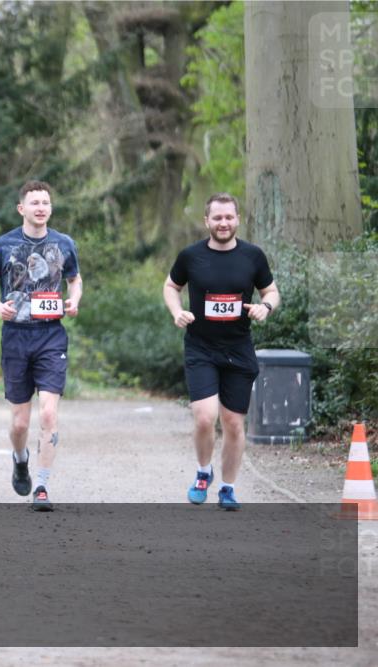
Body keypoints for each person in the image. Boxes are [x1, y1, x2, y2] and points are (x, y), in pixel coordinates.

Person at [163, 193, 280, 510]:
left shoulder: (253, 257)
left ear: (237, 219)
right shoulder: (191, 256)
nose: (223, 223)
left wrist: (265, 307)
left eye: (229, 217)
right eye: (217, 218)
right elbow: (171, 286)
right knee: (204, 418)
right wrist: (177, 312)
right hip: (201, 346)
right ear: (207, 221)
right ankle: (204, 473)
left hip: (238, 349)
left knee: (232, 423)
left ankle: (227, 488)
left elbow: (270, 291)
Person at [0, 181, 82, 511]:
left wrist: (74, 300)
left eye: (46, 202)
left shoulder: (63, 244)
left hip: (51, 336)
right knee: (20, 424)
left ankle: (42, 486)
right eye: (34, 202)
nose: (41, 207)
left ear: (51, 208)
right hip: (16, 337)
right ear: (21, 208)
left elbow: (74, 280)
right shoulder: (4, 245)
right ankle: (20, 459)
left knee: (48, 413)